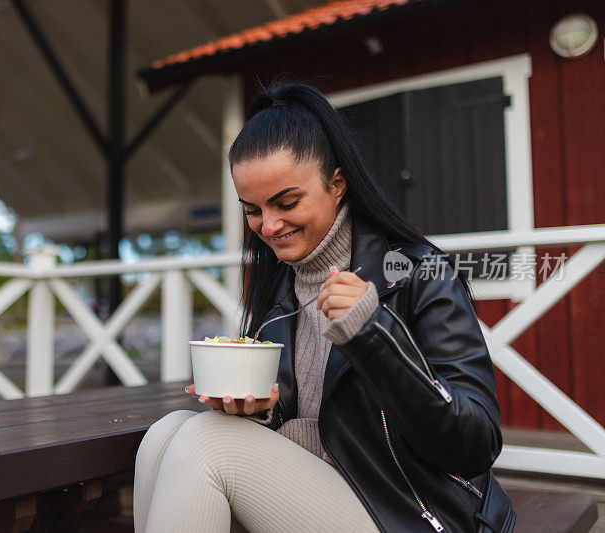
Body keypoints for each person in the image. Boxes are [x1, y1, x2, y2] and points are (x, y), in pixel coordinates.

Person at [133, 82, 515, 532]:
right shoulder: (279, 289)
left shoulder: (419, 273)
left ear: (336, 184)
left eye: (287, 202)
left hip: (410, 514)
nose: (269, 226)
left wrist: (373, 335)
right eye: (251, 210)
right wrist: (259, 410)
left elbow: (475, 443)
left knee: (202, 442)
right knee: (164, 433)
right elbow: (308, 419)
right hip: (323, 497)